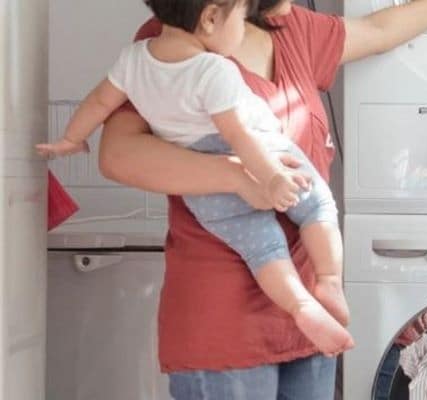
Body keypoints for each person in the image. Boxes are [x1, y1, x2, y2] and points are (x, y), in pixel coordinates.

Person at [96, 0, 427, 398]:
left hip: (309, 321)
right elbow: (118, 155)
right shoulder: (174, 37)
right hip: (224, 323)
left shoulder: (294, 29)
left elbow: (379, 31)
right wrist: (236, 175)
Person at [37, 0, 353, 356]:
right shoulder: (214, 70)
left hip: (203, 188)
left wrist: (72, 138)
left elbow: (99, 103)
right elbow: (238, 135)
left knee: (262, 248)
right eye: (241, 17)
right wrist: (272, 177)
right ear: (210, 17)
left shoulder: (133, 59)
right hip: (261, 152)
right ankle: (328, 280)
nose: (243, 27)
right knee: (318, 207)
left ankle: (300, 305)